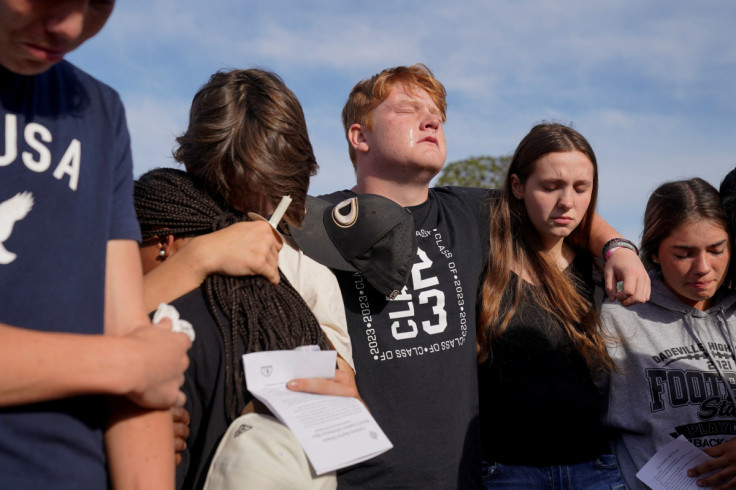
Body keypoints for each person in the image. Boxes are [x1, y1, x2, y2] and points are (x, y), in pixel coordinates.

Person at [165, 64, 650, 488]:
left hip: (465, 476)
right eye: (408, 109)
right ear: (360, 136)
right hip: (356, 475)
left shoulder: (474, 212)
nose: (432, 119)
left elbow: (561, 206)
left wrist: (618, 246)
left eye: (438, 112)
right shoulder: (310, 220)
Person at [0, 1, 192, 488]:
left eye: (98, 2)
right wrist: (130, 366)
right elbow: (140, 362)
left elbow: (129, 332)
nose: (68, 26)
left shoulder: (99, 109)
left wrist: (138, 365)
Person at [134, 69, 356, 489]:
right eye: (234, 186)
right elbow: (84, 331)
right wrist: (196, 258)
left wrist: (342, 408)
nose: (254, 213)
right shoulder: (152, 221)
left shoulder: (309, 278)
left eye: (271, 192)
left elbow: (337, 416)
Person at [476, 123, 623, 488]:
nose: (567, 202)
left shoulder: (601, 269)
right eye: (550, 186)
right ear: (517, 186)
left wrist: (620, 247)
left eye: (580, 187)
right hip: (507, 472)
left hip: (595, 468)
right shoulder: (479, 257)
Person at [601, 178, 736, 489]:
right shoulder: (617, 316)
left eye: (716, 249)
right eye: (683, 253)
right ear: (653, 253)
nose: (703, 267)